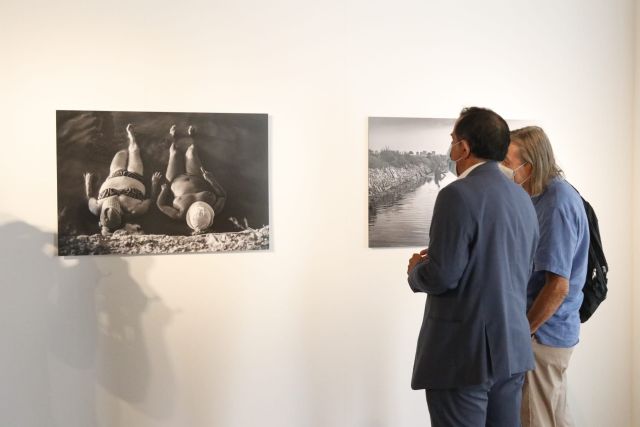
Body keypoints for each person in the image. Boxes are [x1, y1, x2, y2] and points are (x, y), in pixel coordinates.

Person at [406, 107, 540, 427]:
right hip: (512, 347)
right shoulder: (523, 198)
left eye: (453, 139)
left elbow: (443, 275)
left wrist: (416, 270)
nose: (451, 147)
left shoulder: (456, 195)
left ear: (463, 147)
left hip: (463, 353)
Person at [504, 126, 589, 427]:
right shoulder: (539, 196)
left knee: (534, 419)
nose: (503, 168)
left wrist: (524, 332)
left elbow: (558, 286)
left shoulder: (556, 203)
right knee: (554, 417)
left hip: (544, 335)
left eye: (507, 162)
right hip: (551, 332)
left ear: (530, 165)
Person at [84, 124, 161, 235]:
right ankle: (131, 137)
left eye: (108, 205)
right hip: (135, 174)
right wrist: (154, 183)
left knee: (121, 153)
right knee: (134, 150)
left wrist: (88, 182)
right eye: (115, 207)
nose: (113, 202)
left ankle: (123, 138)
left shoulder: (96, 209)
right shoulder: (134, 210)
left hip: (114, 174)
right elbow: (151, 200)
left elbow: (89, 197)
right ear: (120, 214)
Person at [156, 125, 226, 234]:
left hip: (174, 180)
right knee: (192, 151)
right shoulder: (215, 209)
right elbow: (222, 195)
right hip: (196, 176)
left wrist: (164, 191)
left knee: (174, 153)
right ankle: (192, 136)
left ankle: (174, 137)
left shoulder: (180, 215)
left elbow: (161, 205)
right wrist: (211, 180)